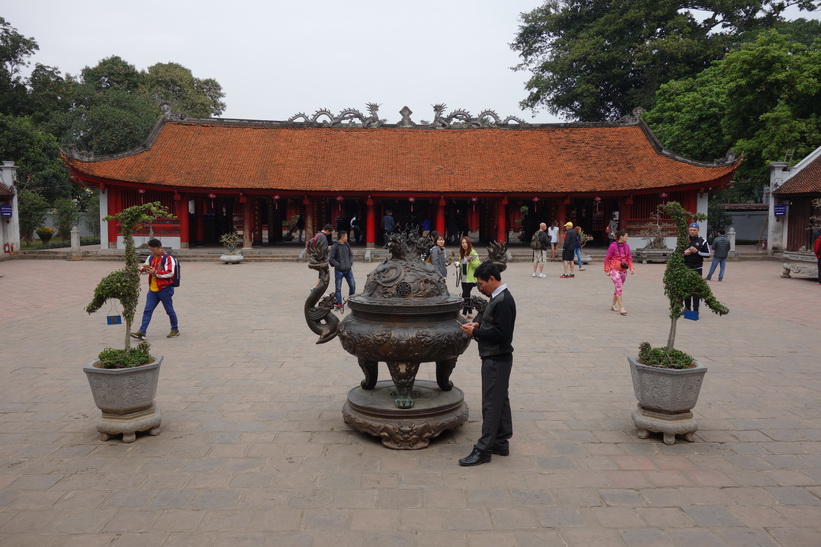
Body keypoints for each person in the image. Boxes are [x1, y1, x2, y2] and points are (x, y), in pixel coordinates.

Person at [458, 261, 517, 466]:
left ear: (492, 279)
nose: (479, 287)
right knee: (501, 399)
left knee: (491, 404)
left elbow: (501, 334)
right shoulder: (496, 297)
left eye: (481, 283)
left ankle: (484, 449)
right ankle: (501, 441)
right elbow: (494, 324)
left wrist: (476, 332)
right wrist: (478, 324)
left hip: (497, 358)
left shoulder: (503, 300)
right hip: (497, 358)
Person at [131, 239, 179, 339]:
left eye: (154, 250)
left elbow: (170, 273)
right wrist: (144, 269)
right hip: (152, 289)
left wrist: (155, 272)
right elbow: (144, 269)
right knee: (147, 310)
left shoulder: (168, 258)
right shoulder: (151, 257)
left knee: (169, 310)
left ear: (160, 248)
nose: (152, 252)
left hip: (164, 289)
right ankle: (142, 331)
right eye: (151, 250)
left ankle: (175, 329)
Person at [604, 230, 634, 315]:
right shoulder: (612, 246)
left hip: (623, 270)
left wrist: (631, 267)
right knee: (619, 286)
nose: (627, 238)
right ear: (621, 237)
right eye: (626, 236)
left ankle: (613, 305)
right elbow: (607, 258)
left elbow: (629, 258)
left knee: (618, 288)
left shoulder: (627, 246)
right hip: (614, 269)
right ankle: (621, 307)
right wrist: (607, 270)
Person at [683, 222, 711, 314]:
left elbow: (708, 254)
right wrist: (683, 253)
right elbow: (675, 253)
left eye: (694, 230)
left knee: (696, 290)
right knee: (686, 289)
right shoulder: (683, 240)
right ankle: (687, 308)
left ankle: (695, 310)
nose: (692, 232)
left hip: (697, 269)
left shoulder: (702, 241)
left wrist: (697, 252)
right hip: (686, 268)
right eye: (691, 230)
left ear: (698, 230)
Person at [328, 230, 355, 311]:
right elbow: (331, 258)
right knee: (338, 288)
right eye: (346, 236)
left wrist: (350, 262)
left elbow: (351, 254)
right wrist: (338, 265)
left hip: (348, 269)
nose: (347, 238)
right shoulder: (334, 246)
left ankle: (351, 300)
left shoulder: (347, 245)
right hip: (339, 270)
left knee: (352, 285)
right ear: (342, 237)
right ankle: (339, 304)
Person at [456, 236, 481, 318]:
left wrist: (471, 261)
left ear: (469, 243)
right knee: (467, 295)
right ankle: (470, 312)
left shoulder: (473, 253)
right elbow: (461, 265)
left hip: (470, 279)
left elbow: (477, 265)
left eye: (465, 242)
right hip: (463, 278)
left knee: (465, 295)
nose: (464, 244)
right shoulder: (462, 253)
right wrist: (457, 264)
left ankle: (464, 313)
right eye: (462, 243)